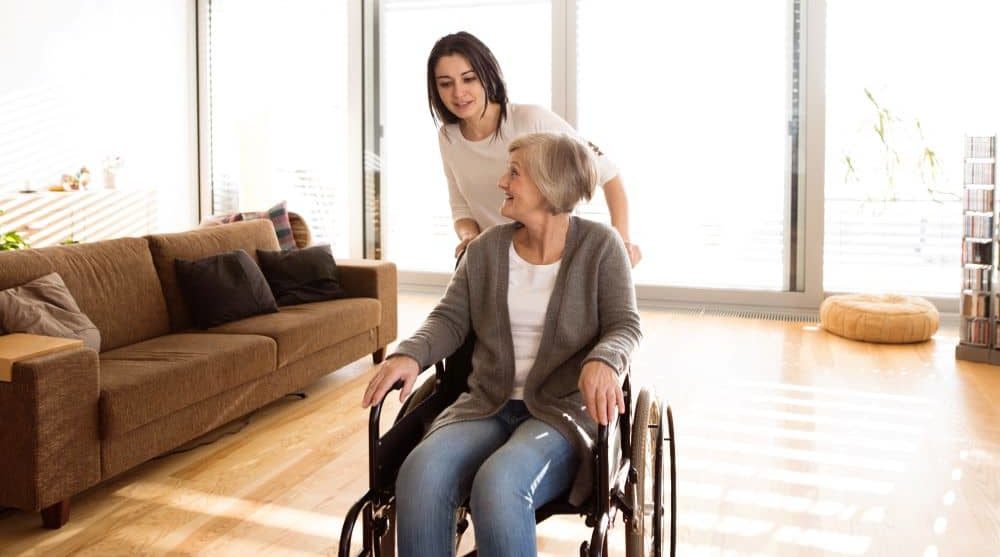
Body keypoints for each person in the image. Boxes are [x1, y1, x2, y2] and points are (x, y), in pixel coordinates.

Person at [362, 132, 641, 557]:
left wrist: (603, 359)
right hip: (487, 404)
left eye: (515, 173)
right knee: (419, 473)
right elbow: (449, 319)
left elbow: (625, 325)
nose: (501, 183)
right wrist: (410, 353)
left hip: (562, 415)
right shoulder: (486, 250)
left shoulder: (602, 248)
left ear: (550, 185)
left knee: (500, 483)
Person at [427, 31, 642, 267]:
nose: (458, 93)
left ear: (486, 76)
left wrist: (621, 242)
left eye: (468, 79)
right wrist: (470, 238)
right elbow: (461, 209)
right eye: (446, 84)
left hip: (551, 259)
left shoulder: (531, 120)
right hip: (494, 260)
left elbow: (608, 175)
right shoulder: (448, 137)